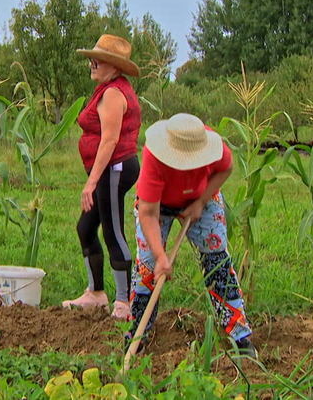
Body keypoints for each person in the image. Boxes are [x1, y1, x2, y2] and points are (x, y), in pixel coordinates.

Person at [126, 113, 257, 358]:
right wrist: (160, 257)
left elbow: (226, 168)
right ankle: (136, 333)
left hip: (201, 199)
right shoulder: (155, 158)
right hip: (158, 206)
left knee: (217, 262)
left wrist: (200, 202)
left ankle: (239, 333)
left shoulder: (213, 147)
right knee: (148, 268)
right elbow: (148, 213)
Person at [62, 35, 141, 320]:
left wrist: (91, 182)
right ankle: (95, 294)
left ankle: (125, 301)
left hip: (114, 168)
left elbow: (109, 141)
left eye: (99, 59)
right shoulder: (107, 88)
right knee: (85, 227)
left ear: (115, 66)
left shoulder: (112, 94)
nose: (92, 63)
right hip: (109, 168)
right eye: (91, 58)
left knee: (112, 231)